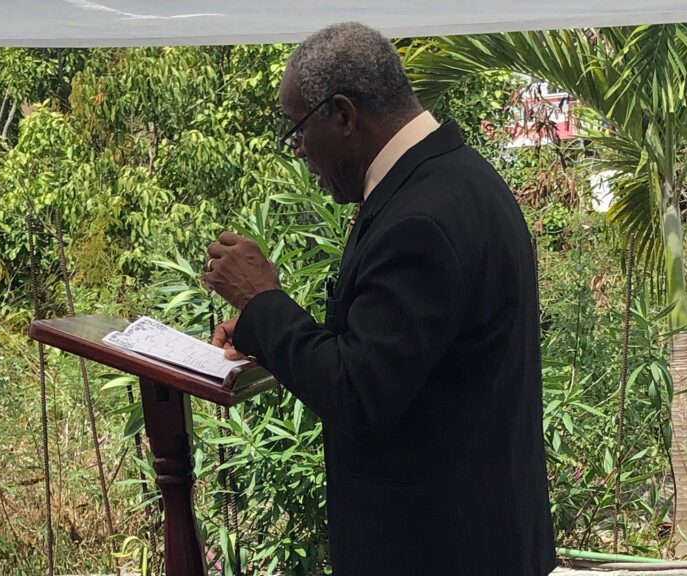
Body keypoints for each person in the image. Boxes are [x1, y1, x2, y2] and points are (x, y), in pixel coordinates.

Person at [203, 22, 555, 576]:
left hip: (436, 550)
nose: (300, 151)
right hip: (478, 536)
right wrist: (259, 327)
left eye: (299, 130)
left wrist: (263, 299)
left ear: (343, 115)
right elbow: (396, 359)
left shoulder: (419, 218)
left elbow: (359, 393)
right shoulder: (458, 178)